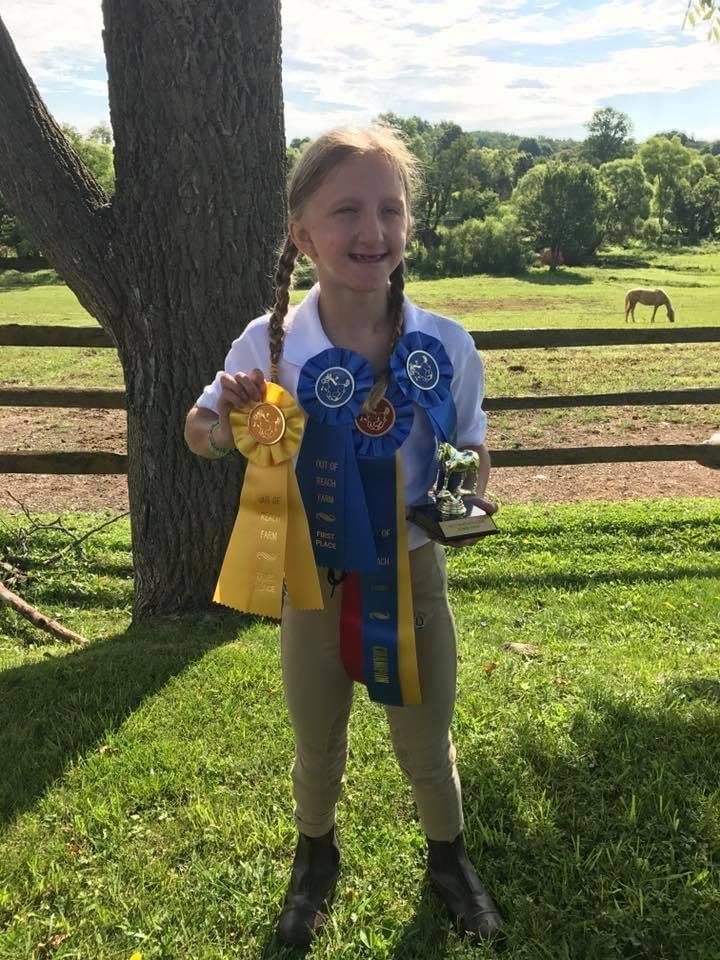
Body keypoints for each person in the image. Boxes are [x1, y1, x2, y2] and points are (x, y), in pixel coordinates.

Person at [184, 127, 503, 947]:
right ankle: (314, 859)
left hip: (412, 574)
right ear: (302, 234)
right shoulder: (271, 344)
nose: (373, 233)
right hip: (311, 579)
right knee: (315, 737)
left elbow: (472, 448)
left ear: (409, 225)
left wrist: (468, 498)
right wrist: (227, 427)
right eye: (347, 211)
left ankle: (448, 859)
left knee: (427, 741)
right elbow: (199, 427)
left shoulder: (448, 344)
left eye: (390, 210)